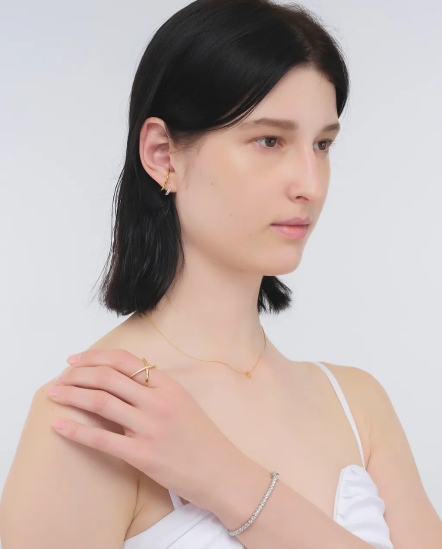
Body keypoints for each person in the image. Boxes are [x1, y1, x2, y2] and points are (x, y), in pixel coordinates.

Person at [1, 0, 441, 548]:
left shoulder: (358, 403)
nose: (311, 184)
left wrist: (227, 479)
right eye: (270, 141)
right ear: (163, 155)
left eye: (322, 144)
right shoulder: (99, 416)